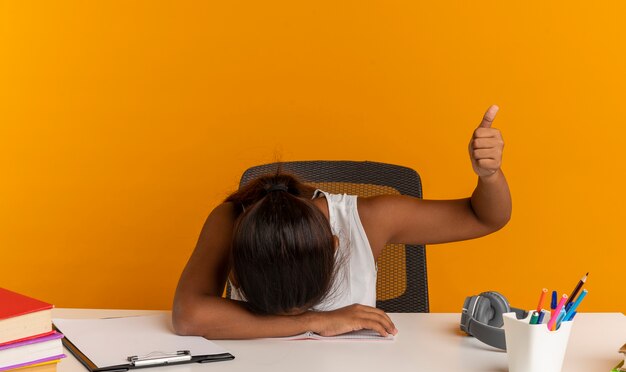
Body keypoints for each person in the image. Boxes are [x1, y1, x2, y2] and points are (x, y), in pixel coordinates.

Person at [173, 105, 511, 339]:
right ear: (236, 267)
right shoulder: (232, 219)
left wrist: (490, 175)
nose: (291, 315)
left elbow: (484, 218)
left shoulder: (367, 220)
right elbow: (189, 316)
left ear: (335, 246)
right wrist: (317, 320)